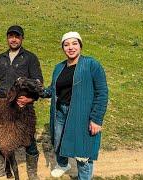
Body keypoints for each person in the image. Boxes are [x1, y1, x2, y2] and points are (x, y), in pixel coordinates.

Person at [0, 25, 43, 180]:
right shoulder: (2, 57)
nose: (13, 39)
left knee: (28, 138)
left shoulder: (30, 57)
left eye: (17, 36)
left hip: (22, 105)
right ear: (7, 38)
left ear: (22, 38)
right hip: (3, 104)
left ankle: (32, 172)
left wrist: (31, 99)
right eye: (11, 36)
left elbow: (39, 82)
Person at [42, 32, 108, 179]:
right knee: (58, 141)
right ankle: (63, 164)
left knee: (82, 151)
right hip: (60, 112)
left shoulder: (91, 65)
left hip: (81, 114)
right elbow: (53, 89)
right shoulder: (59, 67)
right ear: (62, 48)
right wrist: (37, 91)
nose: (70, 47)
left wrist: (96, 119)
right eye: (66, 45)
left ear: (80, 45)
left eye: (74, 43)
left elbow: (102, 92)